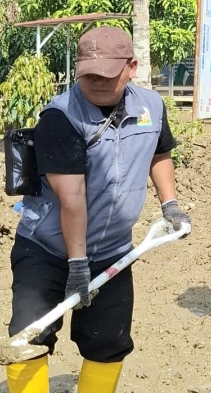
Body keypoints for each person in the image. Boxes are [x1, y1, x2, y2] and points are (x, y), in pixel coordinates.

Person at [5, 26, 191, 393]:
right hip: (48, 249)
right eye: (89, 74)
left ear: (131, 67)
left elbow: (160, 153)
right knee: (29, 337)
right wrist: (77, 264)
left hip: (112, 251)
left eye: (107, 74)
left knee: (109, 342)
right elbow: (72, 198)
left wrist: (169, 204)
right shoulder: (60, 117)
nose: (97, 82)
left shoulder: (151, 107)